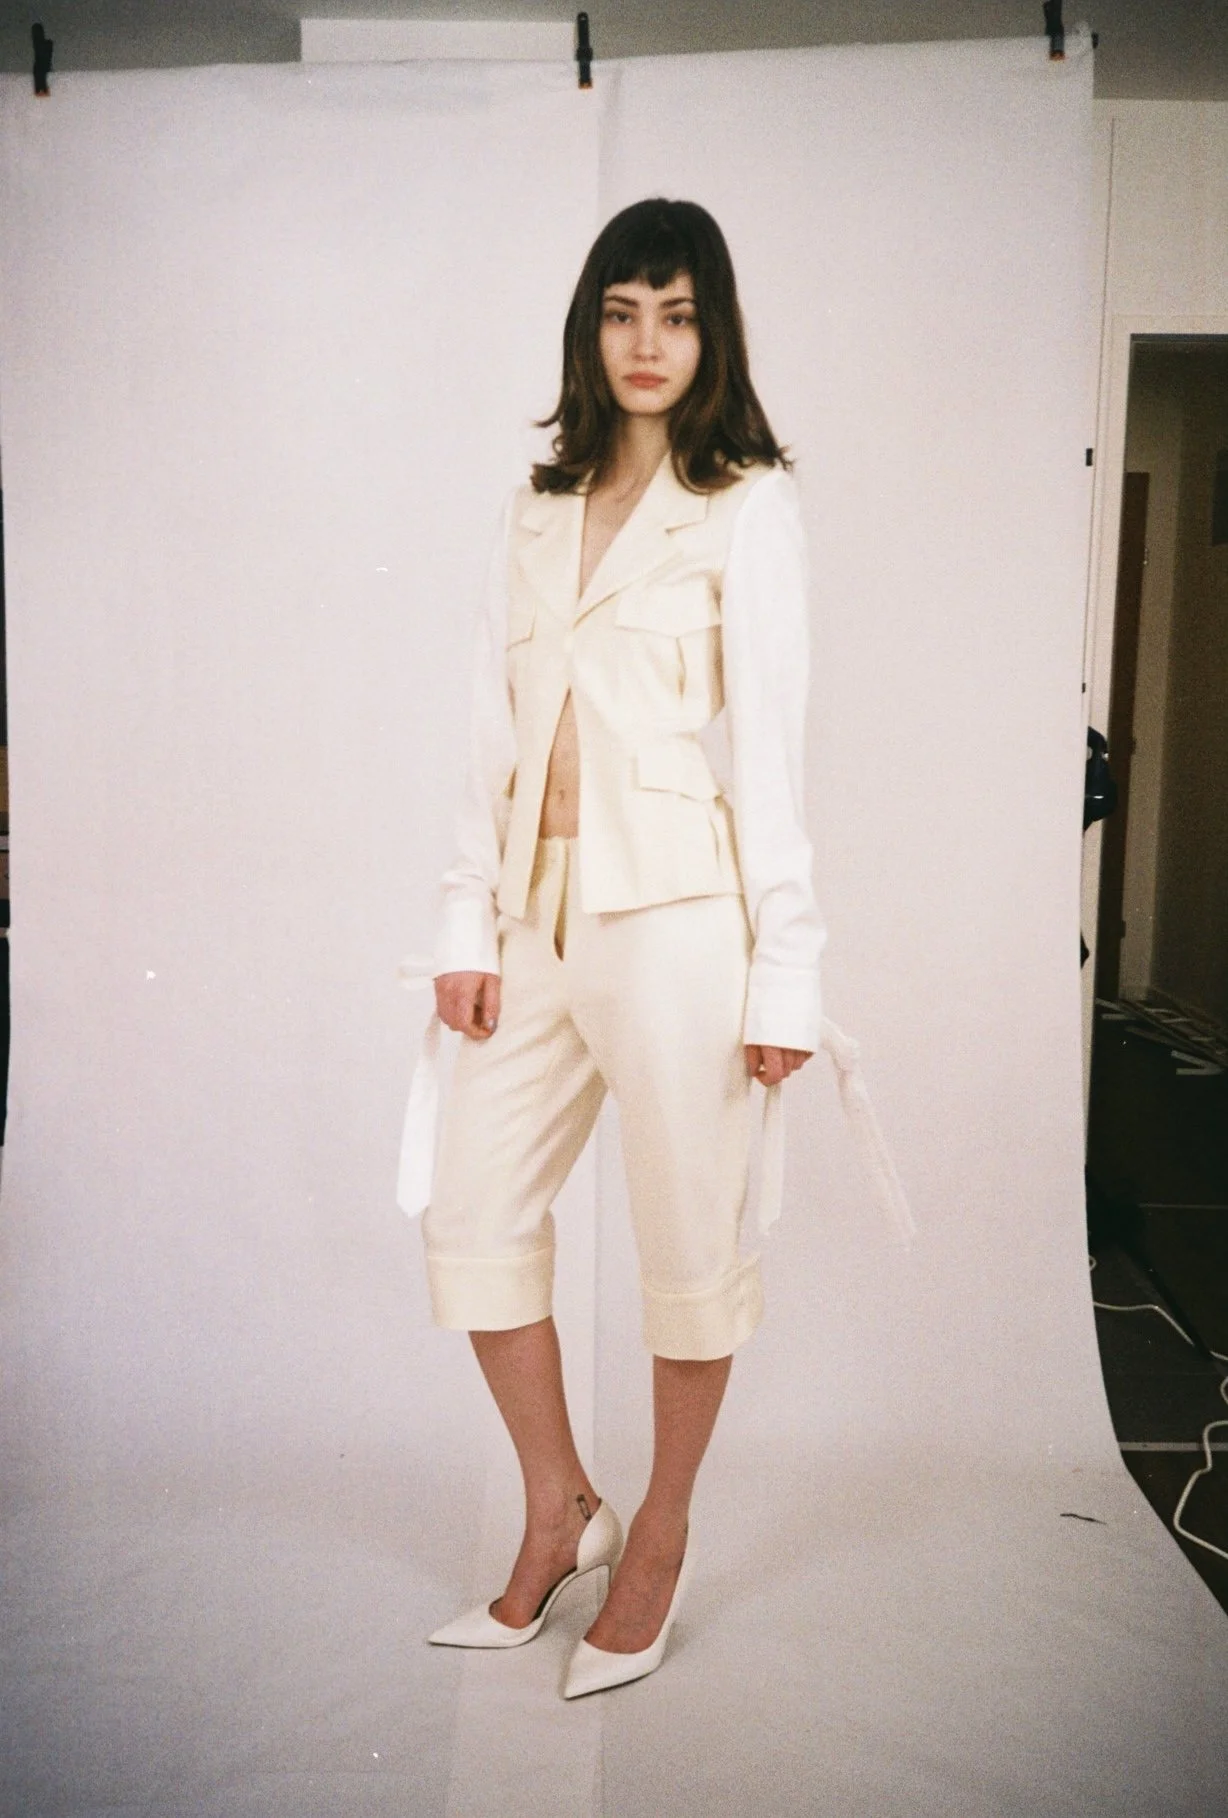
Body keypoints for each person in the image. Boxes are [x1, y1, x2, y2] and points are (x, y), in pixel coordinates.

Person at [416, 197, 825, 1698]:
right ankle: (559, 1506)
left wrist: (787, 971)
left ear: (710, 335)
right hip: (534, 919)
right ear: (590, 329)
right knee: (470, 1218)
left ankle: (659, 1533)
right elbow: (489, 733)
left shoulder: (748, 504)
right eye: (621, 312)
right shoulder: (535, 504)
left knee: (686, 1250)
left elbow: (773, 757)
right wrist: (467, 922)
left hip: (680, 928)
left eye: (677, 314)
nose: (647, 344)